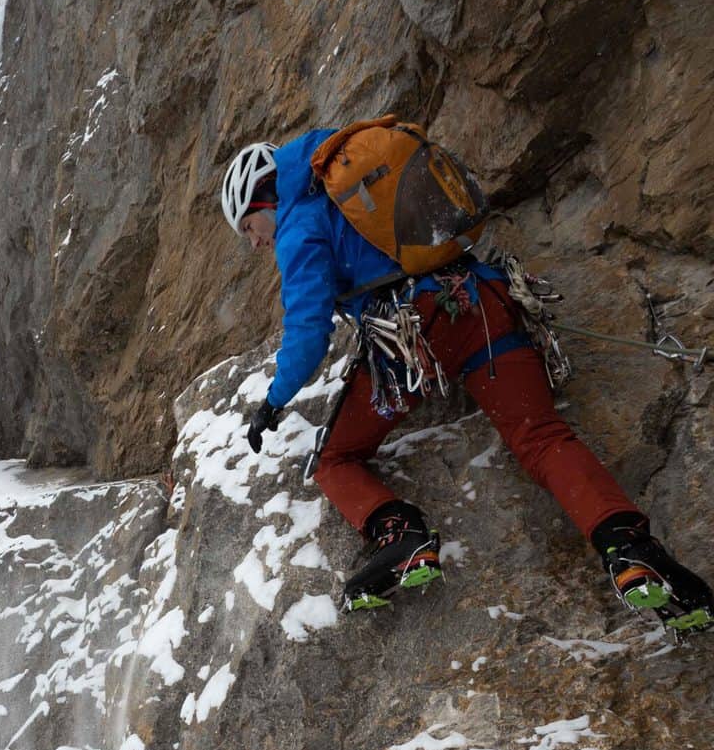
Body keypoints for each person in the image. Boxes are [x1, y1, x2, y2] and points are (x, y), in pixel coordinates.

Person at [221, 134, 713, 637]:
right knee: (542, 438)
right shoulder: (353, 183)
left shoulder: (300, 225)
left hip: (419, 327)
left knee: (333, 459)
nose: (255, 241)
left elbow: (307, 335)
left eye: (249, 226)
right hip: (485, 301)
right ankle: (631, 549)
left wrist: (273, 403)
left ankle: (401, 537)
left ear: (265, 198)